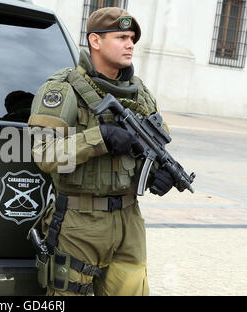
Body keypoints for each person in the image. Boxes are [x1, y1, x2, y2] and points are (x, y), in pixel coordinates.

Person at [28, 7, 175, 296]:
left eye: (132, 37)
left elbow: (155, 146)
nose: (130, 44)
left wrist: (158, 175)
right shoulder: (63, 88)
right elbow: (44, 154)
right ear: (95, 41)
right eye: (121, 37)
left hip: (129, 221)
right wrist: (100, 138)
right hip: (80, 221)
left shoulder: (140, 92)